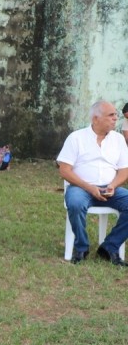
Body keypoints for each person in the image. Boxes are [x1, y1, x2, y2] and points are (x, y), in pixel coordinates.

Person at [58, 100, 128, 266]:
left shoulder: (118, 139)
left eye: (115, 115)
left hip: (110, 189)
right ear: (96, 118)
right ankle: (81, 247)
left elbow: (124, 170)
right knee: (75, 203)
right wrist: (89, 187)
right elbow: (64, 170)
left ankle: (109, 247)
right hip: (81, 188)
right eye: (111, 115)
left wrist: (113, 185)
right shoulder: (76, 138)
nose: (115, 118)